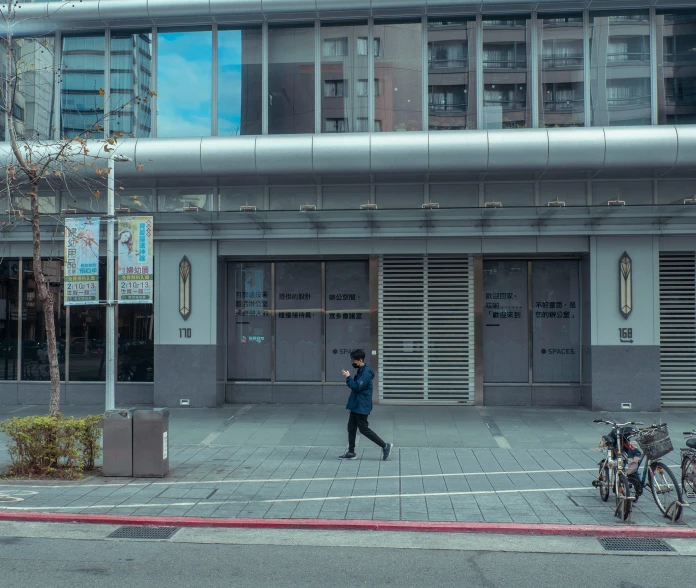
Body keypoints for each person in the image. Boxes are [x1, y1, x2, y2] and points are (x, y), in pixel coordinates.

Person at [339, 349, 393, 461]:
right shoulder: (361, 370)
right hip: (356, 405)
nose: (352, 362)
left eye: (353, 360)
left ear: (359, 360)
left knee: (363, 429)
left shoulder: (366, 373)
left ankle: (385, 446)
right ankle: (351, 452)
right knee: (351, 427)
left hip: (362, 406)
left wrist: (348, 377)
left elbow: (358, 387)